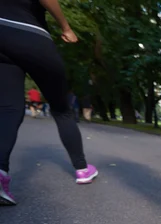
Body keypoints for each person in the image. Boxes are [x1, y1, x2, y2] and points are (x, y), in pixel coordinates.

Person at [0, 0, 98, 206]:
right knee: (62, 109)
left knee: (9, 108)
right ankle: (82, 169)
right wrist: (66, 27)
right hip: (28, 32)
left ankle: (0, 173)